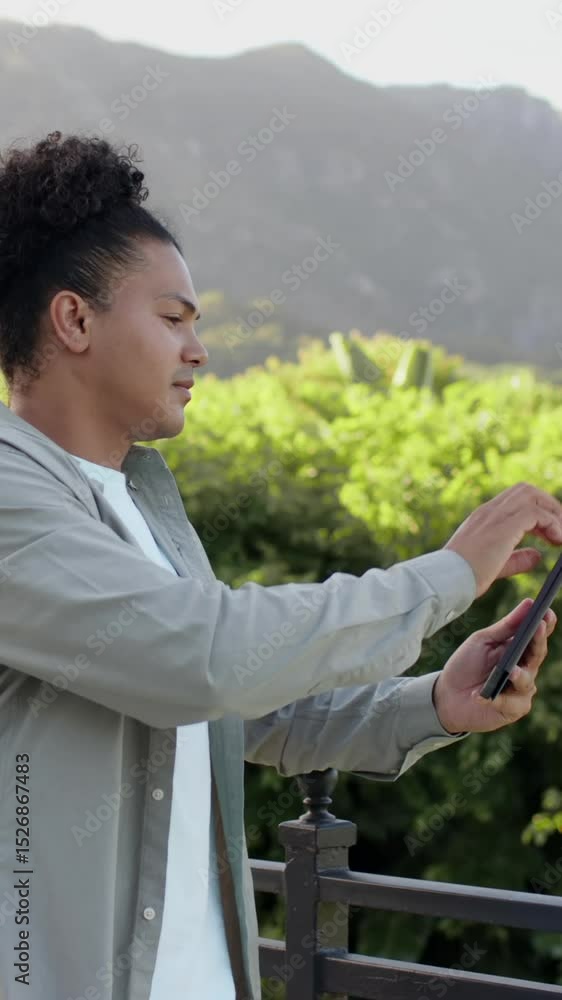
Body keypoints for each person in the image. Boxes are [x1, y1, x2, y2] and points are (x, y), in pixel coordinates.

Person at [0, 131, 558, 1000]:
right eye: (173, 319)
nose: (198, 350)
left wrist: (432, 704)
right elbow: (207, 656)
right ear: (74, 320)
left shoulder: (144, 503)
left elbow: (240, 707)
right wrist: (446, 574)